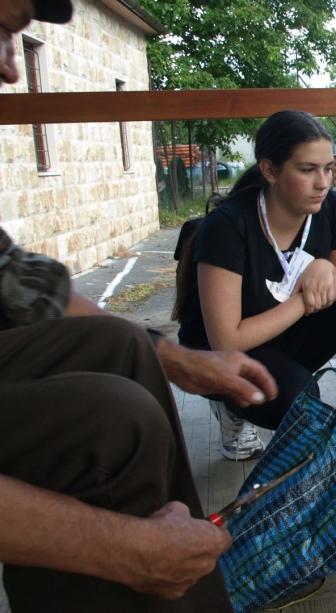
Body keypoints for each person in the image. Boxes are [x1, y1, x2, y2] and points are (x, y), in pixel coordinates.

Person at [2, 6, 277, 611]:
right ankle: (155, 571)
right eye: (1, 30)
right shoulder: (228, 226)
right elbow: (233, 326)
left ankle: (187, 575)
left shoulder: (329, 213)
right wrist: (116, 547)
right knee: (107, 417)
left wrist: (177, 359)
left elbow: (24, 287)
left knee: (126, 346)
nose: (11, 71)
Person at [175, 110, 336, 457]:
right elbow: (227, 340)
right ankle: (232, 406)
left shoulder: (331, 208)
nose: (323, 182)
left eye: (328, 168)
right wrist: (301, 301)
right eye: (307, 169)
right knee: (301, 398)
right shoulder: (229, 226)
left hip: (282, 335)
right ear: (270, 170)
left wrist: (323, 266)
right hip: (223, 354)